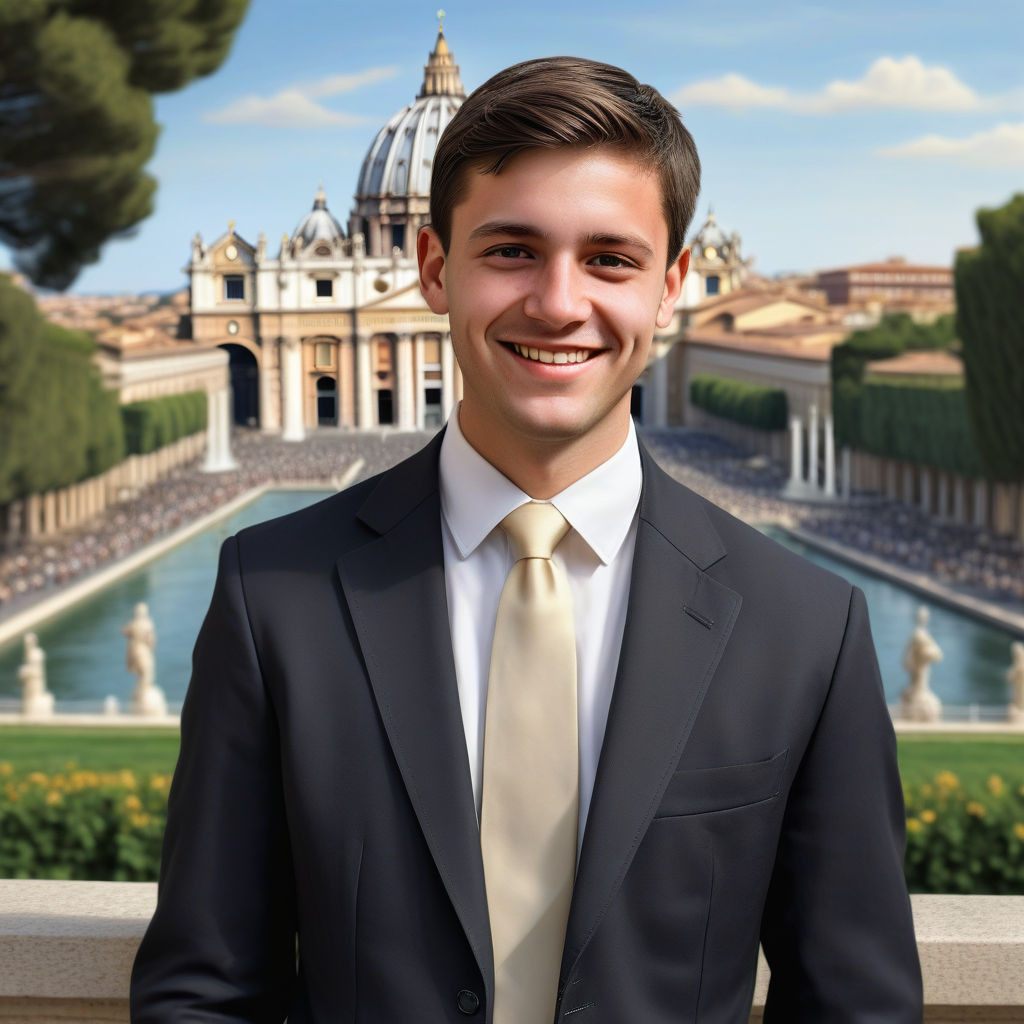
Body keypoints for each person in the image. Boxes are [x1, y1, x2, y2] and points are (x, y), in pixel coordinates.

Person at [130, 56, 922, 1023]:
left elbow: (858, 1003)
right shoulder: (272, 593)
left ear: (672, 285)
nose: (557, 302)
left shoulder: (809, 628)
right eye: (510, 250)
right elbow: (204, 990)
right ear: (430, 267)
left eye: (611, 258)